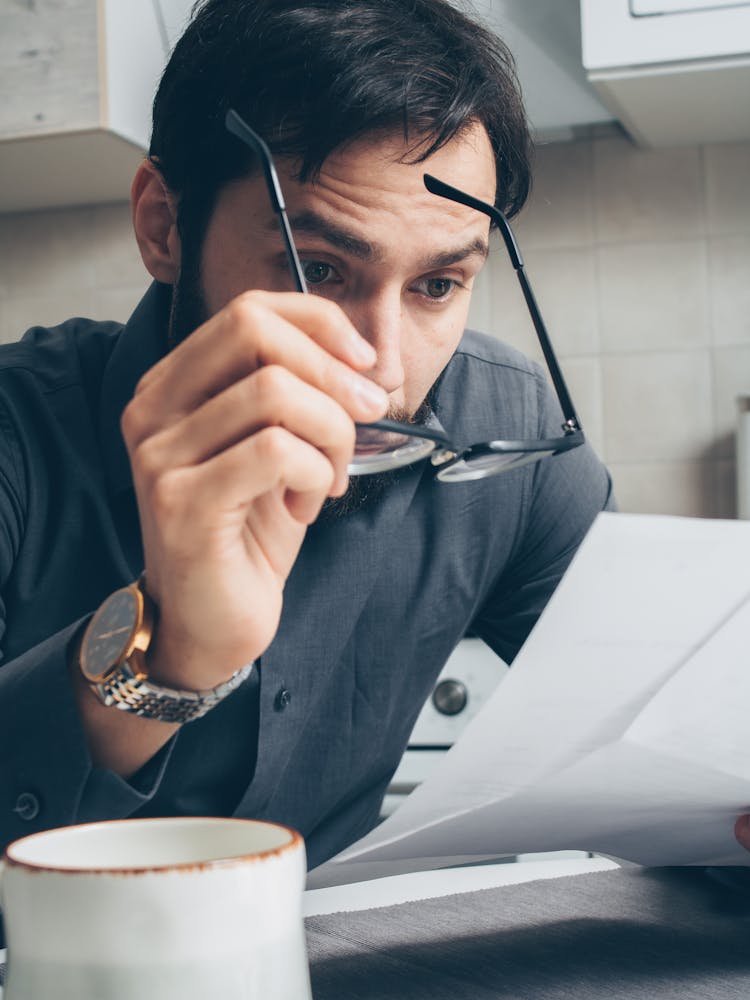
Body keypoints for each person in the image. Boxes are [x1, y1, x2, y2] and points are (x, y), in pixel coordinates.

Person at [1, 0, 747, 875]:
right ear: (165, 225)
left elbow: (681, 728)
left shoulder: (511, 437)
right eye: (317, 270)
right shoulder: (19, 435)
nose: (383, 375)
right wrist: (168, 649)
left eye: (437, 285)